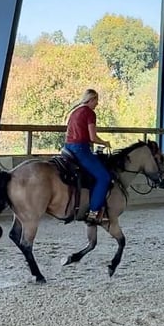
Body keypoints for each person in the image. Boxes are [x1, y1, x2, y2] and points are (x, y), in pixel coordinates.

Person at [63, 89, 112, 225]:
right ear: (90, 100)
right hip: (80, 148)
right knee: (104, 177)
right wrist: (105, 142)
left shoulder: (75, 112)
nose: (97, 103)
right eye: (96, 100)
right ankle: (93, 213)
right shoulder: (90, 113)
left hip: (68, 147)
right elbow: (92, 137)